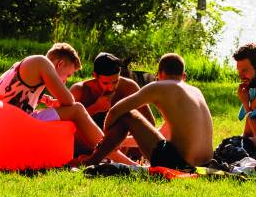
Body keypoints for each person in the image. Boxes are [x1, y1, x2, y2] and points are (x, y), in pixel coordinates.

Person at [0, 42, 133, 164]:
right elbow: (69, 100)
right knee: (76, 109)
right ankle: (125, 162)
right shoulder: (41, 62)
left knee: (72, 110)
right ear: (60, 64)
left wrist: (46, 100)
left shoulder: (26, 66)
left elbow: (18, 94)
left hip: (5, 119)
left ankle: (114, 156)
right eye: (68, 75)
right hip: (11, 123)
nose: (65, 81)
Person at [82, 53, 214, 171]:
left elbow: (115, 111)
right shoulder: (196, 91)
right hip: (206, 163)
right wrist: (119, 142)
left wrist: (106, 139)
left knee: (127, 114)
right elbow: (161, 134)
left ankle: (92, 160)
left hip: (180, 165)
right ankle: (99, 157)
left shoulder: (159, 86)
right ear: (183, 75)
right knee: (128, 115)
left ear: (159, 74)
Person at [71, 52, 156, 128]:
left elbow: (150, 123)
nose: (111, 87)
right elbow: (67, 122)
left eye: (115, 82)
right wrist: (95, 108)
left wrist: (126, 141)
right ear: (95, 76)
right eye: (105, 83)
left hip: (120, 141)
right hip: (86, 141)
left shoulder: (129, 87)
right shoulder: (79, 90)